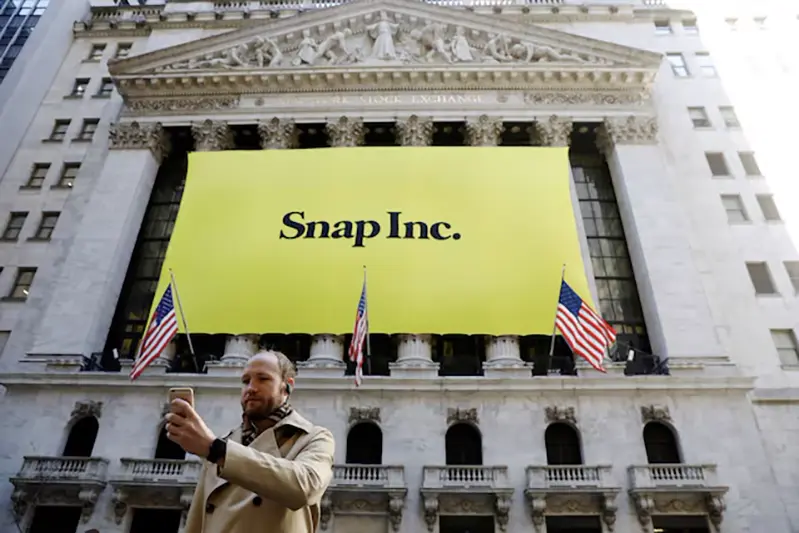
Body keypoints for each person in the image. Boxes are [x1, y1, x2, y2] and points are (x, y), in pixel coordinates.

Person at [165, 350, 335, 533]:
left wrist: (216, 449)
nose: (251, 388)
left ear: (287, 386)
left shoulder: (314, 438)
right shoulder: (223, 443)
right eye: (246, 381)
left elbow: (304, 487)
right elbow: (197, 519)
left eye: (263, 379)